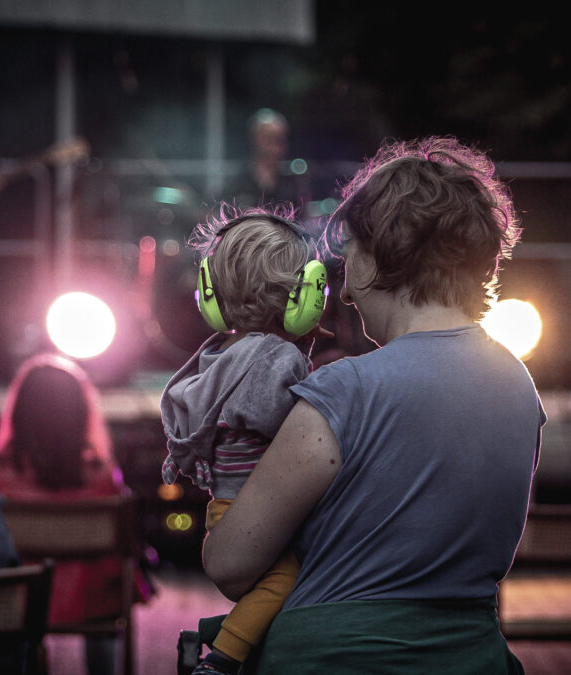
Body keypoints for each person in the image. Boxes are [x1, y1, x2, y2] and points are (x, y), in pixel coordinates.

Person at [202, 137, 546, 674]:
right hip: (470, 660)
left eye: (350, 257)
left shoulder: (345, 390)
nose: (343, 293)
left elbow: (231, 564)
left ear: (382, 253)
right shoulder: (518, 384)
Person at [160, 206, 329, 675]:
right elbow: (289, 429)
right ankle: (223, 658)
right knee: (287, 580)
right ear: (306, 297)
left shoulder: (215, 355)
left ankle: (225, 634)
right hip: (261, 513)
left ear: (210, 294)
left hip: (226, 510)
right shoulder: (279, 359)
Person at [0, 353, 153, 673]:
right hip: (91, 604)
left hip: (17, 604)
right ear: (80, 412)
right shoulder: (99, 474)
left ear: (19, 411)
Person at [221, 109, 310, 212]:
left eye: (279, 140)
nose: (274, 147)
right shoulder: (236, 183)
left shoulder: (292, 184)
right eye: (268, 139)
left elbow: (302, 218)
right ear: (254, 139)